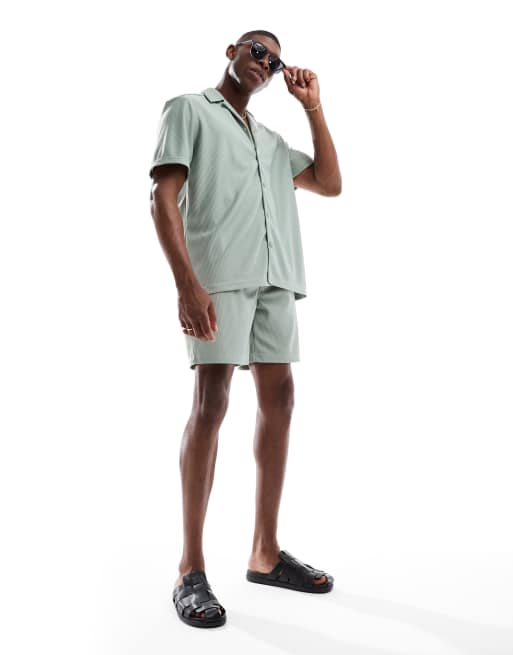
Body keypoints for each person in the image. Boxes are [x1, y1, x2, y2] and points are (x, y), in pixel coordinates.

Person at [149, 29, 342, 628]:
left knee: (280, 400)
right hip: (220, 279)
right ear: (231, 51)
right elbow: (162, 196)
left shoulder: (270, 141)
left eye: (275, 60)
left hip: (277, 281)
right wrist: (187, 284)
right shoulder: (189, 109)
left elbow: (330, 182)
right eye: (257, 50)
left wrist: (312, 106)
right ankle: (190, 569)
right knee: (211, 404)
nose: (265, 62)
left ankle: (264, 552)